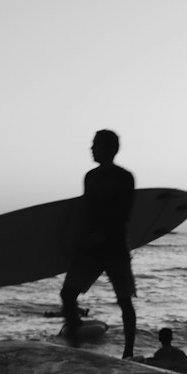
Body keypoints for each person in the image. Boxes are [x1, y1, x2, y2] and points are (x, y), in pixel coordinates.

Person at [61, 130, 137, 358]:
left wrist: (102, 234)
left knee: (124, 301)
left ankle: (129, 352)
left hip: (115, 247)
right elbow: (85, 211)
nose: (91, 148)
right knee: (67, 294)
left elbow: (123, 213)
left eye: (95, 144)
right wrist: (77, 241)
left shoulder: (124, 177)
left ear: (110, 148)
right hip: (90, 248)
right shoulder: (90, 177)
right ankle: (74, 346)